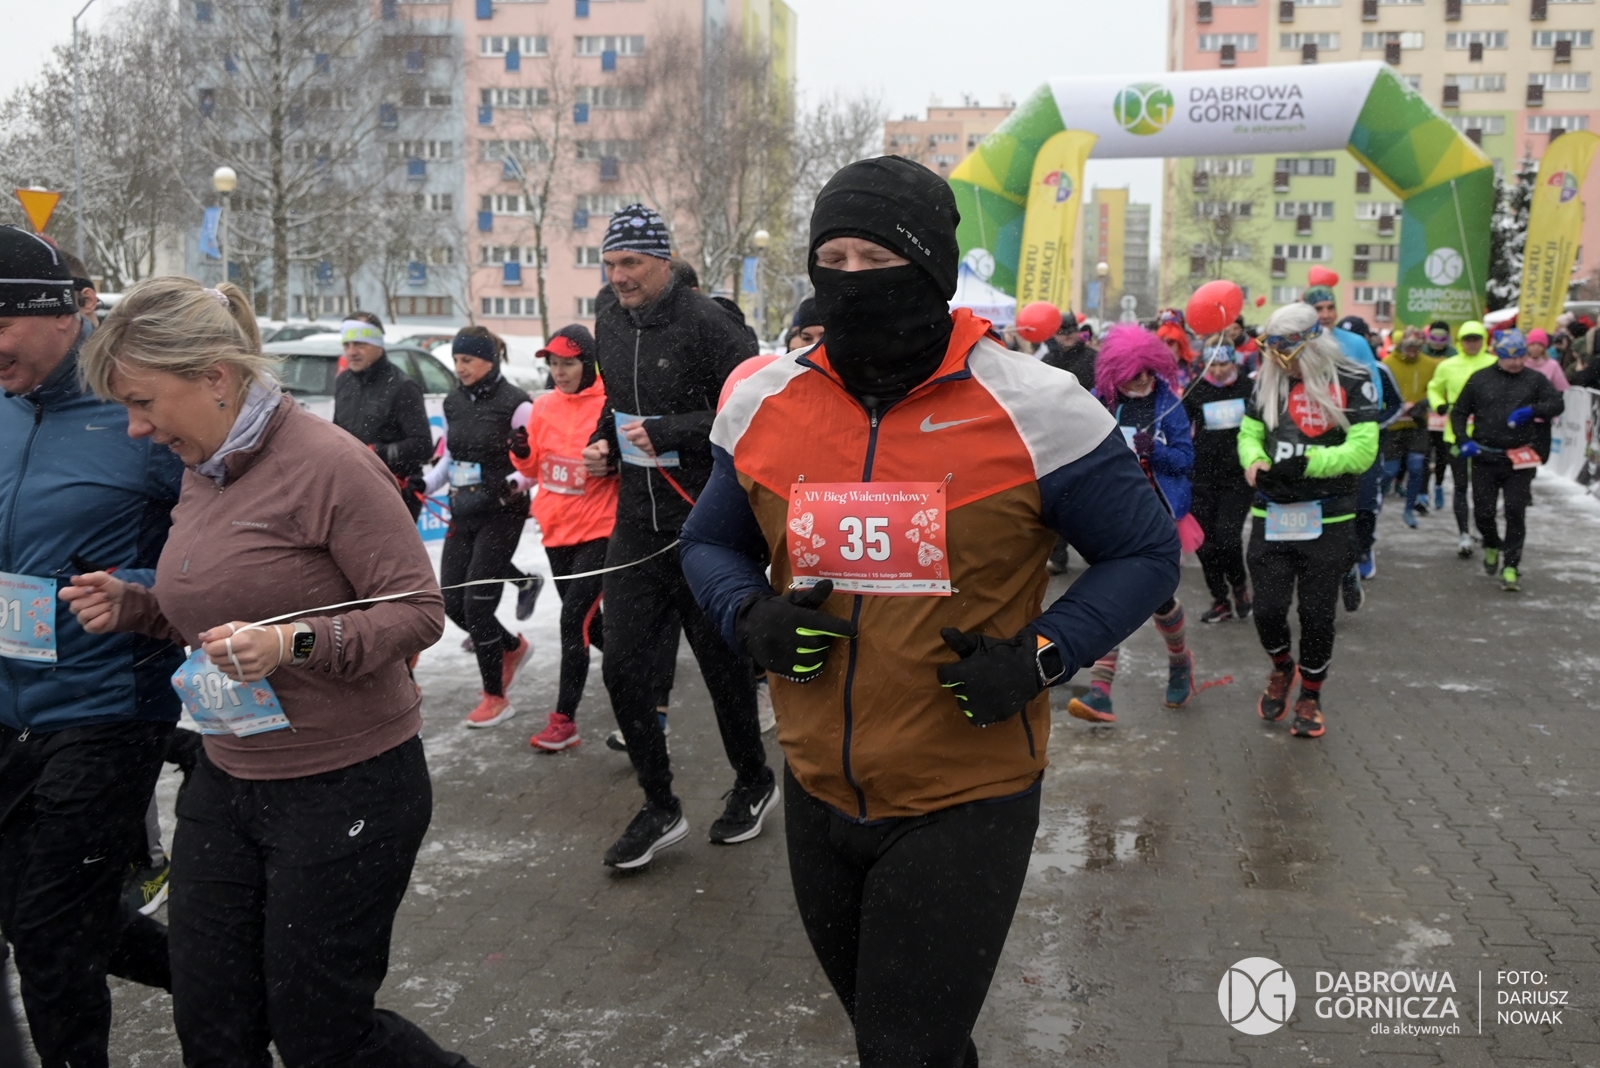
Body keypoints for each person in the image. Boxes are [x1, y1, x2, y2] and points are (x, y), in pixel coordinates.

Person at [680, 155, 1180, 1068]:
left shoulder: (1039, 406)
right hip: (818, 786)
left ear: (932, 269)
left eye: (877, 257)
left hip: (966, 794)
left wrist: (1042, 654)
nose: (851, 279)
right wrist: (747, 614)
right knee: (904, 1040)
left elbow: (1145, 553)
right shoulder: (761, 401)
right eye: (832, 258)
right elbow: (709, 542)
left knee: (904, 1049)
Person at [63, 276, 474, 1068]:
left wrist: (296, 645)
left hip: (347, 785)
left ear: (214, 378)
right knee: (213, 1020)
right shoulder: (204, 463)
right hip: (228, 777)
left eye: (143, 403)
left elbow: (419, 612)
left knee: (323, 1036)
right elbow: (223, 611)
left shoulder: (328, 463)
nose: (136, 427)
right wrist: (137, 605)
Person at [0, 226, 184, 1068]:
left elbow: (226, 549)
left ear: (61, 313)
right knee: (44, 917)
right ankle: (229, 978)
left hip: (111, 708)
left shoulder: (137, 407)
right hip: (12, 706)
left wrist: (136, 588)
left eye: (1, 324)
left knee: (49, 934)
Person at [580, 203, 776, 869]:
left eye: (632, 262)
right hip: (638, 521)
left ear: (664, 261)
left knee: (724, 671)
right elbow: (616, 401)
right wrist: (603, 441)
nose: (619, 276)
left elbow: (756, 408)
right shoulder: (609, 318)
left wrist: (671, 431)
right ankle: (659, 804)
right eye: (610, 264)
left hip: (707, 523)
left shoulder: (708, 322)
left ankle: (754, 780)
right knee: (622, 667)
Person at [1238, 303, 1380, 739]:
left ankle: (1311, 695)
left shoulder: (1353, 380)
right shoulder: (1266, 379)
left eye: (1289, 354)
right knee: (1267, 609)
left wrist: (1308, 464)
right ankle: (1283, 666)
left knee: (1317, 614)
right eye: (1275, 353)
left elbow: (1363, 450)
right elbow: (1249, 433)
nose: (1283, 364)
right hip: (1272, 512)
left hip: (1329, 513)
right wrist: (1255, 461)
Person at [1066, 323, 1196, 720]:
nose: (1141, 380)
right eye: (1132, 374)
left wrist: (1155, 451)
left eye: (1146, 372)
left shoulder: (1168, 403)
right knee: (1112, 595)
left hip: (1157, 516)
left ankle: (1180, 662)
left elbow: (1186, 460)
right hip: (1111, 512)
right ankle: (1100, 691)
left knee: (1157, 599)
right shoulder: (1098, 401)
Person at [508, 325, 619, 750]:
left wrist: (610, 465)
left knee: (573, 621)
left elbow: (627, 461)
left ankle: (563, 721)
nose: (559, 372)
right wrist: (520, 451)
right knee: (592, 623)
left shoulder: (611, 403)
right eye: (554, 364)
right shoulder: (543, 406)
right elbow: (535, 468)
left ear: (588, 364)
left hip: (600, 529)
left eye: (568, 363)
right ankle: (639, 670)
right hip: (556, 531)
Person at [423, 326, 534, 727]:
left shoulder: (517, 404)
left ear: (489, 360)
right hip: (464, 509)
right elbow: (450, 460)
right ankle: (510, 647)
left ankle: (496, 698)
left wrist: (513, 484)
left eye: (467, 359)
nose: (460, 367)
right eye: (456, 360)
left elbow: (535, 463)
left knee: (477, 605)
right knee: (451, 601)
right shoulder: (453, 402)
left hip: (503, 513)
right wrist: (425, 484)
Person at [1451, 329, 1564, 592]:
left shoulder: (1534, 379)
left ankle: (1511, 566)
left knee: (1515, 510)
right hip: (1484, 455)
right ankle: (1491, 543)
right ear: (1498, 354)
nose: (1516, 362)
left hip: (1519, 457)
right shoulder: (1480, 379)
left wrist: (1533, 410)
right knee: (1484, 512)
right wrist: (1463, 440)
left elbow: (1557, 403)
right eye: (1510, 357)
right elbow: (1458, 412)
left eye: (1521, 356)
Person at [332, 311, 434, 522]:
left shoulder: (402, 386)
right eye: (347, 345)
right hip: (352, 490)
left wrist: (376, 452)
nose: (352, 352)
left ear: (378, 343)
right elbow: (336, 433)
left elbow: (422, 446)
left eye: (360, 344)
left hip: (394, 492)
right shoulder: (344, 382)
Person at [1184, 340, 1255, 621]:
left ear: (1234, 361)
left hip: (1237, 477)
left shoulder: (1248, 389)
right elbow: (1180, 427)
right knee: (1205, 543)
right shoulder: (1196, 389)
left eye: (1223, 364)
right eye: (1212, 364)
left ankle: (1239, 586)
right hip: (1202, 476)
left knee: (1227, 538)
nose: (1217, 370)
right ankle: (1220, 599)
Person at [1426, 320, 1496, 558]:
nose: (1472, 343)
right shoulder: (1448, 365)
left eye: (1476, 339)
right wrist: (1439, 404)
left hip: (1487, 435)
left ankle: (1481, 526)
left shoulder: (1494, 364)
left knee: (1484, 488)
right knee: (1460, 486)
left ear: (1483, 340)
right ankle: (1464, 534)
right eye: (1467, 339)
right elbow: (1433, 388)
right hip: (1455, 434)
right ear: (1460, 341)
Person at [1381, 326, 1445, 528]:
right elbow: (1380, 392)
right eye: (1409, 347)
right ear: (1401, 344)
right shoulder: (1388, 364)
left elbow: (1436, 391)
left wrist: (1421, 404)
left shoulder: (1429, 364)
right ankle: (1376, 503)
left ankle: (1409, 509)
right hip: (1393, 424)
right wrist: (1396, 407)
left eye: (1417, 348)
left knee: (1416, 467)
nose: (1412, 351)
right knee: (1389, 471)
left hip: (1418, 424)